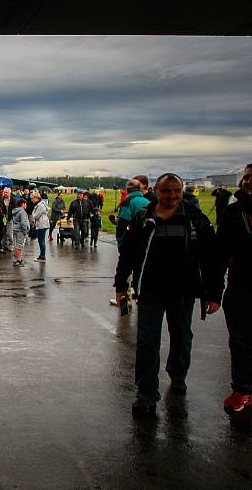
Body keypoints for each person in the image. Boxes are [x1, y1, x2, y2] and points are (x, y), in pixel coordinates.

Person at [114, 173, 223, 416]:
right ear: (156, 191)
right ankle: (146, 393)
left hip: (183, 292)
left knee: (182, 338)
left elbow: (211, 258)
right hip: (151, 291)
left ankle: (177, 374)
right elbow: (128, 254)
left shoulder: (195, 219)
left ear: (182, 192)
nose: (171, 196)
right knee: (147, 342)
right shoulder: (144, 218)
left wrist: (214, 293)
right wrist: (121, 285)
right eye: (166, 191)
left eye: (176, 191)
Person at [216, 164, 252, 412]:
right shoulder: (233, 212)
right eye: (246, 177)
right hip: (241, 285)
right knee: (240, 340)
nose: (248, 181)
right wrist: (214, 290)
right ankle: (242, 389)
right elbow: (220, 253)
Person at [116, 180, 150, 245]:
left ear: (128, 189)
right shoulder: (147, 201)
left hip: (132, 241)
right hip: (145, 240)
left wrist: (120, 243)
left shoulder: (128, 201)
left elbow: (122, 224)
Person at [29, 192, 49, 261]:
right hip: (42, 224)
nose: (31, 200)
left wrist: (33, 214)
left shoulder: (40, 205)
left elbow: (35, 216)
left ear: (36, 198)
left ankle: (42, 256)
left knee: (41, 241)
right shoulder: (39, 204)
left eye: (32, 198)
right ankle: (41, 255)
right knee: (41, 240)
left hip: (42, 225)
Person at [11, 198, 29, 266]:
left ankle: (16, 259)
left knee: (16, 245)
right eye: (25, 204)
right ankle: (18, 260)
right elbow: (23, 223)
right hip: (20, 230)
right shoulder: (22, 212)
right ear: (22, 204)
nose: (26, 205)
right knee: (19, 246)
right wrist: (25, 232)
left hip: (15, 229)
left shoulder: (15, 210)